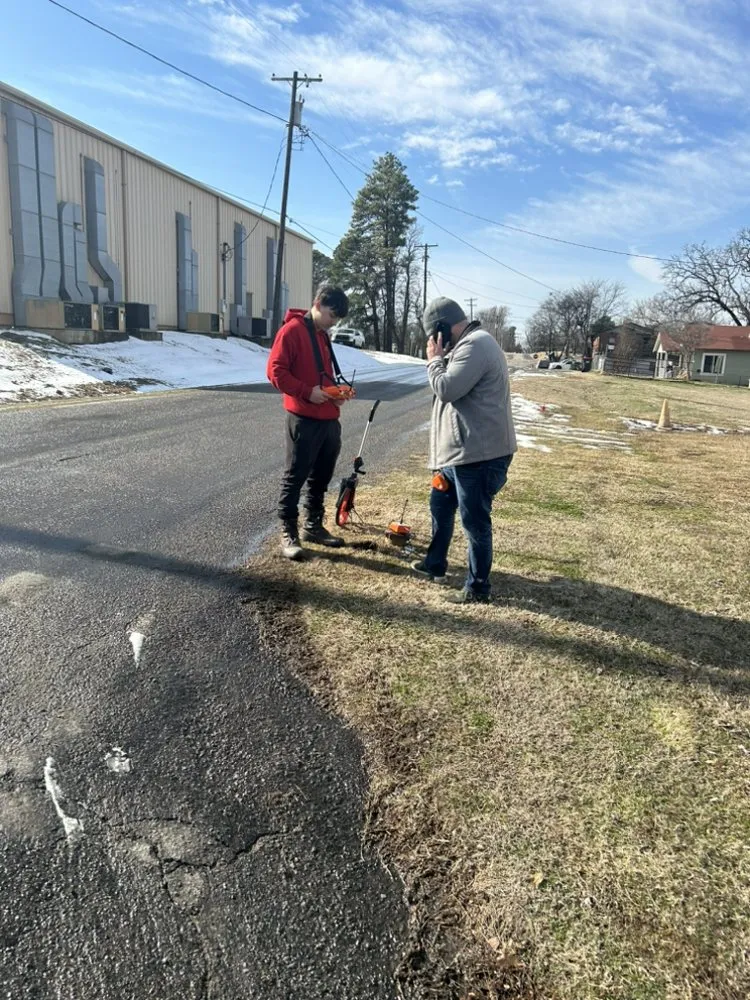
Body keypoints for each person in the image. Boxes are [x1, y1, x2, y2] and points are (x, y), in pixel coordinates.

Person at [412, 297, 517, 603]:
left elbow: (446, 388)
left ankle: (478, 588)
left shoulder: (475, 345)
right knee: (441, 502)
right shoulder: (468, 346)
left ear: (442, 328)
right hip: (463, 453)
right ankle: (435, 563)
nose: (433, 342)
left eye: (434, 335)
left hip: (479, 455)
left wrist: (434, 360)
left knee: (475, 521)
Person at [266, 284, 351, 560]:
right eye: (331, 315)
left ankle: (313, 525)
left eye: (337, 319)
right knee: (295, 476)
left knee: (321, 476)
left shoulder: (322, 335)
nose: (333, 322)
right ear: (317, 304)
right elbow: (275, 372)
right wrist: (306, 392)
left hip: (329, 418)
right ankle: (288, 531)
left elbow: (322, 374)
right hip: (303, 418)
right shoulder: (291, 331)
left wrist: (335, 394)